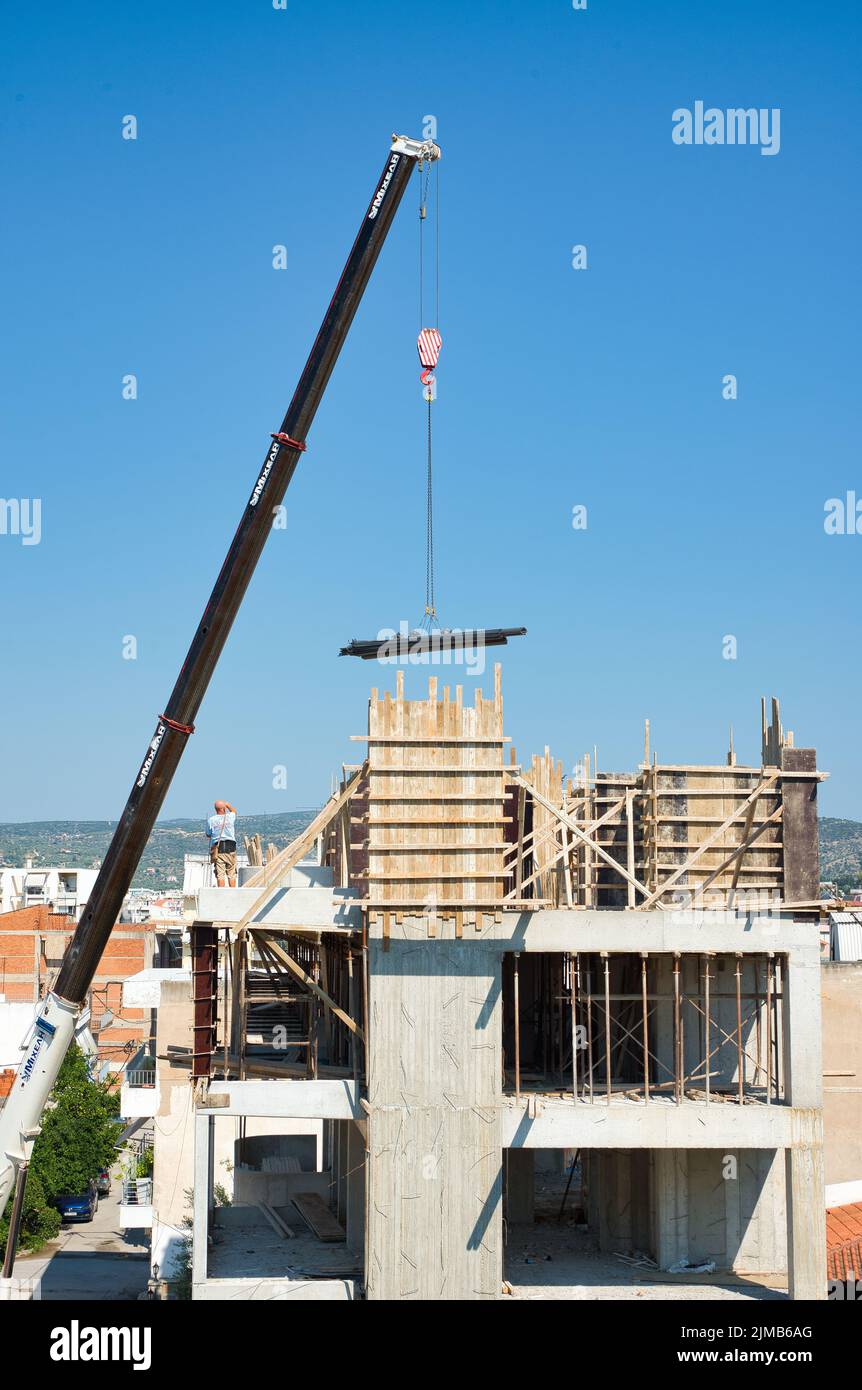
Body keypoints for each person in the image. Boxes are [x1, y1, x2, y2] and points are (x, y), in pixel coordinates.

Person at [206, 800, 238, 887]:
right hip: (231, 848)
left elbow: (208, 834)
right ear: (224, 808)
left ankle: (222, 894)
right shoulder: (230, 817)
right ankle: (232, 893)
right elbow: (234, 812)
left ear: (215, 809)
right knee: (231, 873)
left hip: (218, 849)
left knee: (220, 874)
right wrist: (228, 805)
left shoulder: (211, 820)